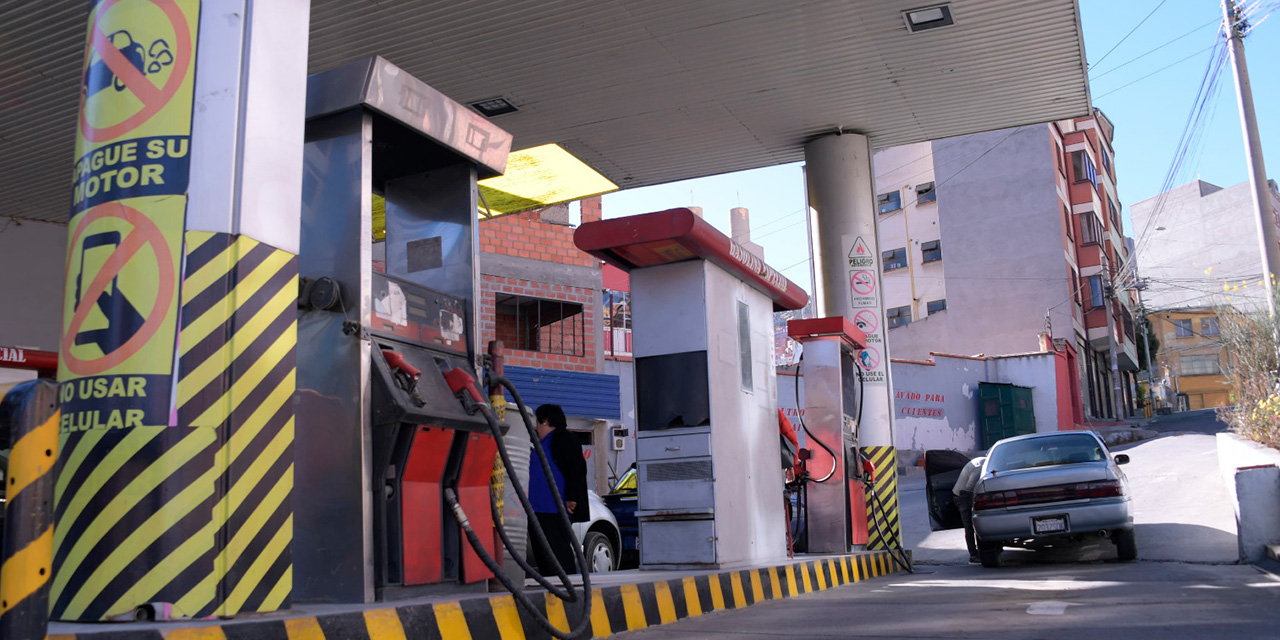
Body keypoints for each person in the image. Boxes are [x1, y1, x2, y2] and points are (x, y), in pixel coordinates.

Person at [527, 404, 589, 574]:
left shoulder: (563, 438)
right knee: (542, 553)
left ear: (545, 421)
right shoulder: (542, 443)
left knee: (558, 551)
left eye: (538, 423)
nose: (536, 427)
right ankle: (550, 584)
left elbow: (577, 469)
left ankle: (568, 585)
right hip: (538, 508)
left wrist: (572, 497)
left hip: (554, 508)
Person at [952, 456, 987, 563]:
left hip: (962, 494)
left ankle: (980, 551)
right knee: (971, 526)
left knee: (975, 524)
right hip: (963, 496)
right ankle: (973, 554)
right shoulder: (980, 467)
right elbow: (969, 488)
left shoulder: (982, 461)